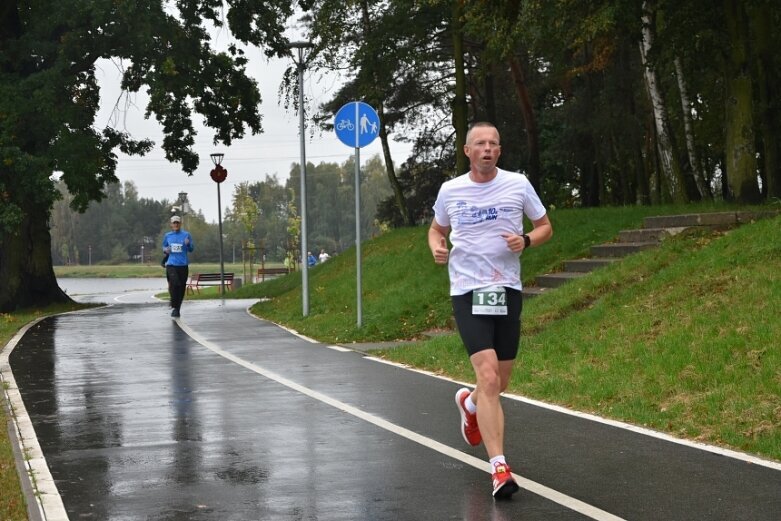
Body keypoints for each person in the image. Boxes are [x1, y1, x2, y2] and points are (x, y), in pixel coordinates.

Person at [428, 122, 553, 499]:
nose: (487, 149)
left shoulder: (517, 184)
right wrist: (435, 246)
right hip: (467, 290)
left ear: (500, 150)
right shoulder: (451, 190)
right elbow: (436, 229)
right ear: (467, 151)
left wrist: (527, 239)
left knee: (499, 382)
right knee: (487, 376)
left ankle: (469, 403)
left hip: (506, 290)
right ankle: (499, 467)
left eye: (493, 144)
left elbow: (545, 226)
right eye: (480, 144)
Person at [162, 215, 194, 318]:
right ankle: (174, 303)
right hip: (171, 264)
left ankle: (177, 308)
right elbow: (164, 247)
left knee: (181, 287)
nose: (176, 224)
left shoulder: (186, 235)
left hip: (183, 265)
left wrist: (188, 244)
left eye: (177, 223)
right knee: (175, 284)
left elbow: (191, 249)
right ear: (171, 225)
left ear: (180, 224)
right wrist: (166, 250)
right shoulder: (168, 236)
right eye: (174, 223)